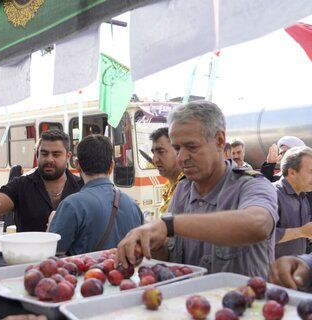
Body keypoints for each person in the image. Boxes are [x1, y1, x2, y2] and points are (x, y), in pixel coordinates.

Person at [116, 101, 278, 278]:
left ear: (219, 140)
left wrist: (169, 225)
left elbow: (258, 224)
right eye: (177, 148)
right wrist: (156, 247)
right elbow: (172, 262)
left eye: (192, 147)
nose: (182, 158)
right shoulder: (182, 190)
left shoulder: (252, 185)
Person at [48, 135, 143, 255]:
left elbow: (51, 256)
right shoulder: (134, 205)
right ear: (111, 166)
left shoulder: (71, 205)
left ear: (77, 165)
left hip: (88, 273)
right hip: (124, 273)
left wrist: (51, 225)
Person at [0, 129, 83, 231]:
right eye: (44, 153)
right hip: (28, 251)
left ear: (68, 156)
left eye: (56, 154)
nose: (49, 159)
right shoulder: (20, 186)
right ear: (37, 155)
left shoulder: (82, 187)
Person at [273, 146, 312, 258]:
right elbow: (260, 235)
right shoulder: (271, 195)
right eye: (311, 171)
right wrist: (301, 232)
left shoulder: (302, 196)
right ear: (292, 173)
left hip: (294, 270)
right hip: (271, 272)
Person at [150, 127, 184, 214]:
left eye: (161, 152)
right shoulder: (168, 186)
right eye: (153, 152)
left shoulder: (189, 187)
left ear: (178, 151)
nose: (154, 160)